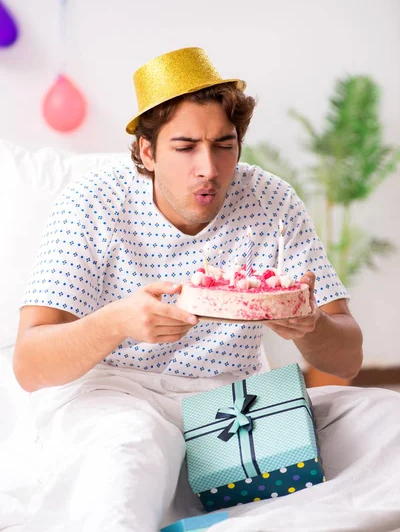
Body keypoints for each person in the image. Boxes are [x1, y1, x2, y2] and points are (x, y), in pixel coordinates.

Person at [14, 47, 363, 531]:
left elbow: (347, 359)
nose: (210, 168)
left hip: (231, 399)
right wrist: (116, 321)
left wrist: (310, 325)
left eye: (225, 144)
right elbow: (29, 366)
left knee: (381, 419)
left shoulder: (272, 199)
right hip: (113, 394)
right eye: (185, 147)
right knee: (127, 451)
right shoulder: (92, 203)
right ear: (147, 151)